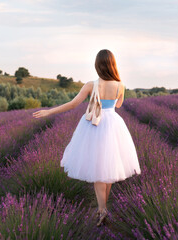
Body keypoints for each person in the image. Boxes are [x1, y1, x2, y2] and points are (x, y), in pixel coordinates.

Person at [32, 49, 141, 227]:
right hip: (113, 124)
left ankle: (102, 209)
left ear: (97, 65)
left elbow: (73, 104)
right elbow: (119, 105)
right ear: (113, 64)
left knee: (97, 168)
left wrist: (49, 111)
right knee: (109, 167)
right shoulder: (120, 85)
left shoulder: (91, 85)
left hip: (94, 125)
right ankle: (103, 208)